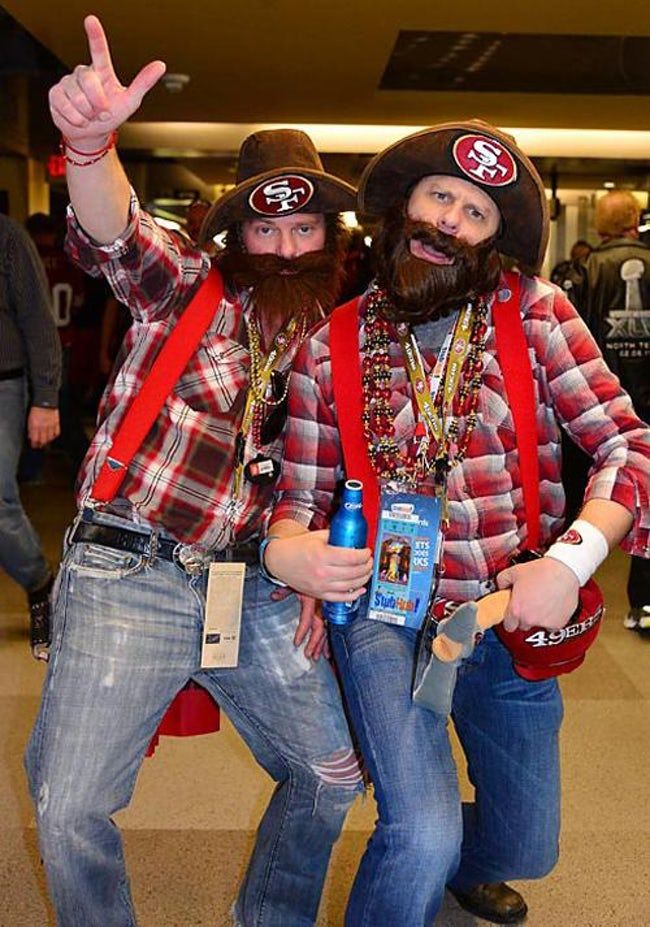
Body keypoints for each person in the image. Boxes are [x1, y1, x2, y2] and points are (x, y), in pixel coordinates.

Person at [262, 121, 650, 926]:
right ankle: (426, 853)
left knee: (527, 847)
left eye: (475, 213)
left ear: (494, 239)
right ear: (403, 206)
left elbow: (628, 444)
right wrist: (289, 554)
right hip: (384, 614)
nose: (449, 222)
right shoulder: (329, 345)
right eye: (439, 196)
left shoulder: (538, 314)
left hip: (505, 612)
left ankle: (462, 864)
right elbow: (295, 501)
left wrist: (571, 560)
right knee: (422, 829)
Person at [26, 15, 362, 927]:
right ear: (236, 233)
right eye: (269, 228)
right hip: (126, 567)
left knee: (333, 771)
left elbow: (327, 472)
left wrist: (306, 565)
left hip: (249, 585)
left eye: (306, 227)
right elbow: (115, 232)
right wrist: (91, 145)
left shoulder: (341, 338)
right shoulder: (185, 281)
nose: (289, 248)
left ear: (330, 233)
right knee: (68, 806)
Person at [579, 190, 650, 634]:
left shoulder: (588, 268)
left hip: (601, 402)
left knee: (600, 491)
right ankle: (644, 603)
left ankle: (577, 581)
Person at [0, 211, 61, 658]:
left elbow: (39, 321)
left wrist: (46, 399)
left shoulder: (7, 238)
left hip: (4, 385)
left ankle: (40, 582)